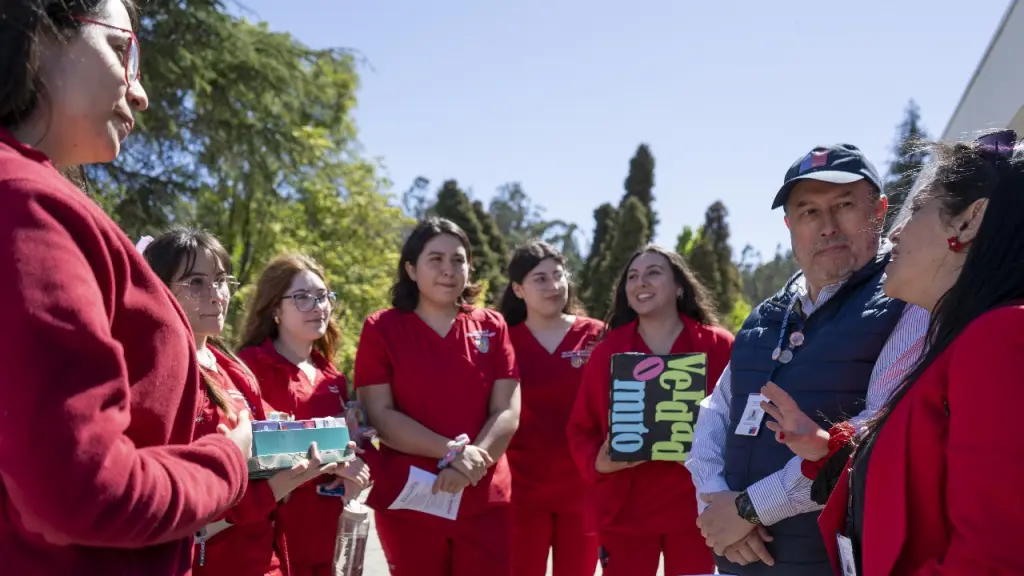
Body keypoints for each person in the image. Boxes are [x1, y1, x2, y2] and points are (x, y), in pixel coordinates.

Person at [0, 1, 251, 573]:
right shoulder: (26, 202)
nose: (140, 93)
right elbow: (80, 486)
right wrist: (228, 461)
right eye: (122, 51)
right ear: (41, 31)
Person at [769, 131, 1024, 575]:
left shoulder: (1001, 338)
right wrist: (829, 447)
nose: (899, 229)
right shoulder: (965, 340)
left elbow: (992, 559)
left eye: (919, 206)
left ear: (968, 221)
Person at [686, 143, 929, 575]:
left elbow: (874, 432)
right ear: (789, 225)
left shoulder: (907, 302)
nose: (827, 226)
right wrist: (714, 500)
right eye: (809, 212)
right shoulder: (766, 315)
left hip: (830, 560)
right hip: (740, 558)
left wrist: (747, 510)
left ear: (881, 210)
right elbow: (714, 413)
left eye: (844, 205)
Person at [145, 228, 342, 576]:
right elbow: (173, 493)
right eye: (195, 283)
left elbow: (264, 455)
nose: (217, 295)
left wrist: (329, 447)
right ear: (159, 287)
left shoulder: (234, 369)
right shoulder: (156, 372)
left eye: (220, 280)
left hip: (265, 557)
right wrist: (275, 488)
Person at [354, 217, 520, 576]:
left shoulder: (491, 325)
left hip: (484, 498)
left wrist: (470, 465)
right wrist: (453, 452)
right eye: (436, 260)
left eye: (458, 260)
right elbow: (380, 415)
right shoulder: (381, 328)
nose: (448, 270)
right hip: (413, 500)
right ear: (411, 269)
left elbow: (507, 409)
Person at [567, 245, 734, 576]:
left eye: (653, 273)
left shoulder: (719, 346)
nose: (641, 282)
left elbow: (743, 422)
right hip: (626, 513)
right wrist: (598, 461)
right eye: (633, 276)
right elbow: (580, 428)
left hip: (700, 511)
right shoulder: (606, 353)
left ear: (680, 287)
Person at [238, 254, 371, 576]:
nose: (318, 306)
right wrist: (334, 459)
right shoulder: (248, 367)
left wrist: (356, 464)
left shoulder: (333, 377)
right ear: (275, 309)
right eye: (302, 297)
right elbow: (248, 454)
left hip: (327, 534)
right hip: (268, 537)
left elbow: (353, 447)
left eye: (323, 296)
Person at [498, 241, 604, 576]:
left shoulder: (595, 335)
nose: (554, 285)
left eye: (558, 275)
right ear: (518, 289)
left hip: (583, 486)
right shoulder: (502, 340)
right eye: (540, 279)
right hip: (520, 490)